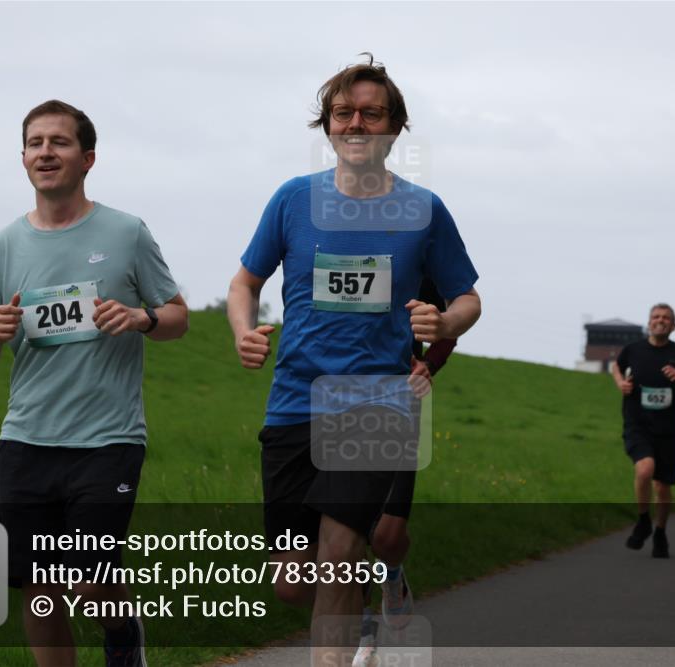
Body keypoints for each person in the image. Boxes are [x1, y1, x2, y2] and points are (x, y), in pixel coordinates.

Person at [226, 55, 480, 666]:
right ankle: (367, 608)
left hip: (375, 403)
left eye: (372, 113)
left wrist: (445, 322)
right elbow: (244, 282)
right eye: (344, 113)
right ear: (329, 125)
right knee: (294, 580)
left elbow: (468, 297)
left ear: (394, 127)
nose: (357, 123)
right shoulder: (293, 200)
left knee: (338, 556)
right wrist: (243, 331)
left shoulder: (425, 210)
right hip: (293, 403)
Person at [0, 100, 188, 667]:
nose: (45, 152)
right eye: (35, 143)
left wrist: (141, 318)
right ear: (22, 159)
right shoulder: (2, 246)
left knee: (87, 583)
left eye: (58, 142)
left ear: (87, 158)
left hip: (107, 440)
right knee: (40, 595)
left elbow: (178, 315)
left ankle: (121, 632)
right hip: (27, 438)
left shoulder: (126, 232)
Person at [353, 277, 457, 667]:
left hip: (399, 401)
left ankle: (393, 574)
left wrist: (428, 364)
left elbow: (448, 327)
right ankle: (366, 640)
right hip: (336, 398)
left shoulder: (417, 264)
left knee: (388, 535)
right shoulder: (333, 254)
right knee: (347, 533)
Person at [611, 304, 675, 558]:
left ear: (673, 326)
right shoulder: (634, 349)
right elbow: (616, 366)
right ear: (649, 322)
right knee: (644, 468)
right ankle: (643, 520)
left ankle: (660, 532)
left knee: (663, 487)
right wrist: (621, 383)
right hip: (637, 424)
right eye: (656, 317)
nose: (660, 321)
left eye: (666, 318)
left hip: (667, 430)